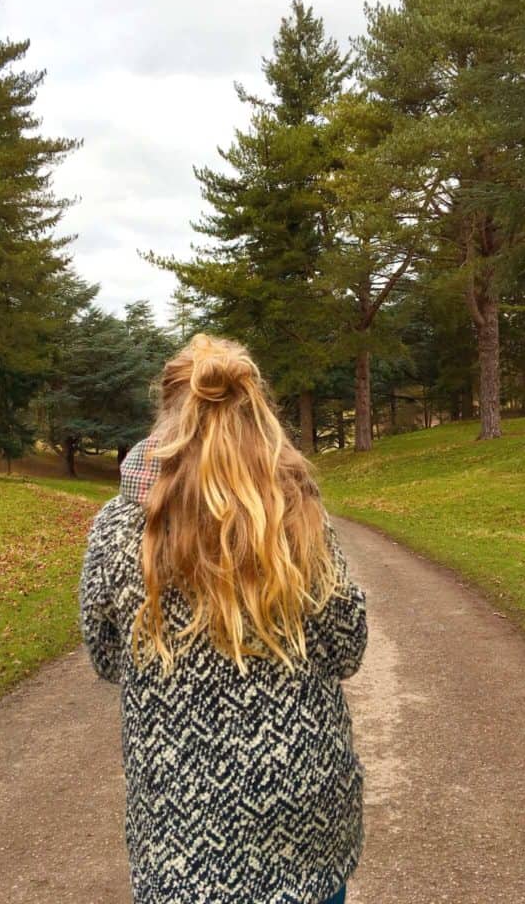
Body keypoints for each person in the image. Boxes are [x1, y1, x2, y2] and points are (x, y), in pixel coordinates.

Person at [79, 333, 367, 904]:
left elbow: (108, 658)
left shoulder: (117, 529)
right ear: (258, 413)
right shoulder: (297, 519)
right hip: (302, 807)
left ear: (166, 416)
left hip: (178, 828)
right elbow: (347, 647)